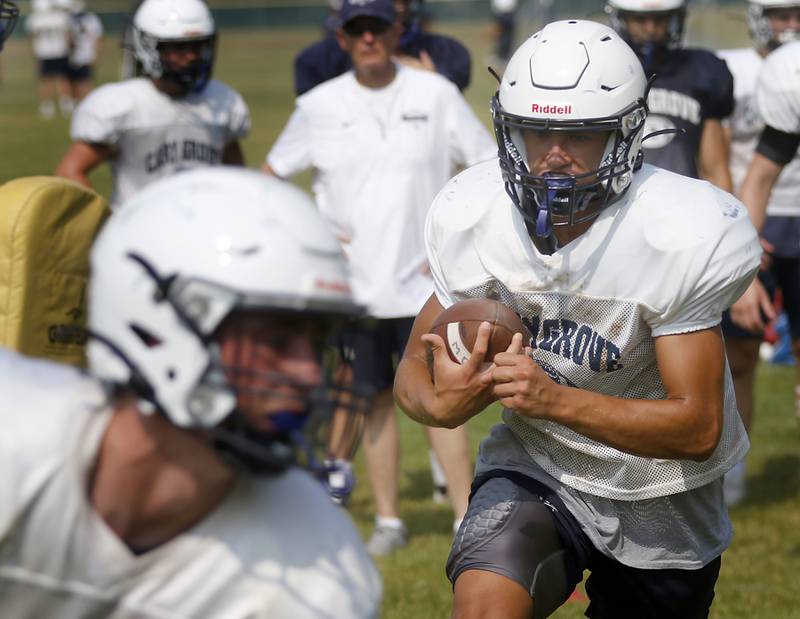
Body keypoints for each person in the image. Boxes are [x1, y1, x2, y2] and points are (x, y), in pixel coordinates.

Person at [394, 19, 760, 618]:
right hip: (537, 461)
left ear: (627, 133)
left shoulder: (681, 231)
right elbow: (413, 366)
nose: (554, 155)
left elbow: (697, 429)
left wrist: (553, 400)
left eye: (580, 135)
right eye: (536, 131)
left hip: (661, 491)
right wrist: (440, 406)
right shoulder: (475, 214)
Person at [0, 168, 382, 618]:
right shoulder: (16, 437)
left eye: (315, 345)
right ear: (154, 331)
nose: (309, 375)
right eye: (276, 341)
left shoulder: (317, 569)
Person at [265, 0, 495, 556]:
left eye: (377, 27)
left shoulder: (436, 95)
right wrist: (314, 239)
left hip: (428, 285)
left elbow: (488, 163)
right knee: (371, 402)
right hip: (356, 289)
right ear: (342, 39)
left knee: (443, 400)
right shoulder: (318, 105)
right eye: (356, 30)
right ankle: (389, 520)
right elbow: (271, 177)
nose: (368, 38)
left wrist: (457, 241)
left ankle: (466, 516)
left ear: (398, 30)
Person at [717, 0, 800, 506]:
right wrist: (740, 233)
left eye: (797, 13)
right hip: (758, 222)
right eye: (778, 13)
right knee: (738, 353)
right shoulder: (735, 72)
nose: (789, 24)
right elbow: (740, 161)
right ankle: (732, 471)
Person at [55, 0, 249, 209]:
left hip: (203, 231)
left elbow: (236, 178)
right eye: (178, 47)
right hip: (139, 235)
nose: (191, 56)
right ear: (148, 46)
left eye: (197, 45)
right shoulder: (124, 105)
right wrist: (107, 223)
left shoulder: (221, 101)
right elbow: (69, 173)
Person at [606, 0, 734, 192]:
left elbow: (714, 168)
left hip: (681, 201)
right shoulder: (602, 71)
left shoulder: (702, 71)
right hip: (613, 200)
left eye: (660, 19)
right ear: (621, 19)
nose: (651, 29)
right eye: (640, 20)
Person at [293, 0, 471, 95]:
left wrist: (435, 83)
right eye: (358, 30)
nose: (368, 38)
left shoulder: (445, 52)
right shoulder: (320, 60)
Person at [25, 0, 72, 118]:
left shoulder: (35, 19)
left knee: (45, 80)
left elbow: (32, 37)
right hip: (60, 51)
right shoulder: (61, 17)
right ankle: (65, 103)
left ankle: (46, 106)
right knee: (62, 78)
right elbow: (68, 35)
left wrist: (34, 52)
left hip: (43, 52)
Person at [66, 0, 103, 103]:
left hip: (83, 55)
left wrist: (95, 53)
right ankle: (80, 103)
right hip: (76, 56)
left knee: (84, 82)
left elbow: (96, 38)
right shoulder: (90, 19)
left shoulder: (90, 19)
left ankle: (86, 102)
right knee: (76, 82)